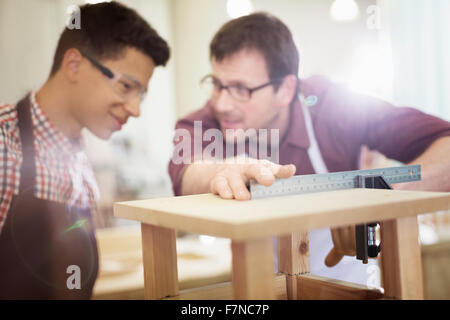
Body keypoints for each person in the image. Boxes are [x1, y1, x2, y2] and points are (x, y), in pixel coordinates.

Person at [168, 12, 450, 285]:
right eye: (217, 84)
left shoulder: (336, 107)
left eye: (242, 89)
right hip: (260, 285)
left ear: (286, 89)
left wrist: (381, 198)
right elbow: (187, 173)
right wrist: (222, 172)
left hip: (349, 281)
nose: (222, 104)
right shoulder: (204, 121)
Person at [0, 1, 169, 299]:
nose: (135, 109)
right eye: (126, 87)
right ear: (74, 64)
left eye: (140, 94)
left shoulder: (79, 158)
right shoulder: (4, 140)